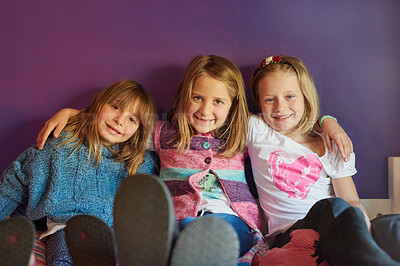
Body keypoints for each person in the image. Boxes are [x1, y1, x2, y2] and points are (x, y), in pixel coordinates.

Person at [35, 55, 354, 264]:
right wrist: (75, 115)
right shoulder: (162, 132)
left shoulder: (243, 132)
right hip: (175, 219)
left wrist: (327, 120)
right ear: (184, 97)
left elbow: (289, 124)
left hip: (232, 220)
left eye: (217, 101)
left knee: (214, 234)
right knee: (178, 231)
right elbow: (121, 125)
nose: (205, 110)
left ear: (232, 107)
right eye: (197, 98)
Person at [248, 55, 399, 265]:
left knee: (392, 225)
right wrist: (326, 120)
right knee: (330, 206)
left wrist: (361, 223)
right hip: (290, 232)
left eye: (290, 96)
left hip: (338, 223)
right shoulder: (257, 130)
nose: (280, 107)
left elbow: (351, 200)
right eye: (269, 99)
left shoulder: (329, 143)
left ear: (305, 97)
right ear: (259, 103)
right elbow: (220, 111)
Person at [0, 80, 159, 265]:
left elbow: (172, 138)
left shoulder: (137, 161)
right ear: (99, 104)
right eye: (115, 107)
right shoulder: (63, 143)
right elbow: (15, 182)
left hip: (107, 235)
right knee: (62, 256)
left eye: (132, 119)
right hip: (64, 229)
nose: (120, 120)